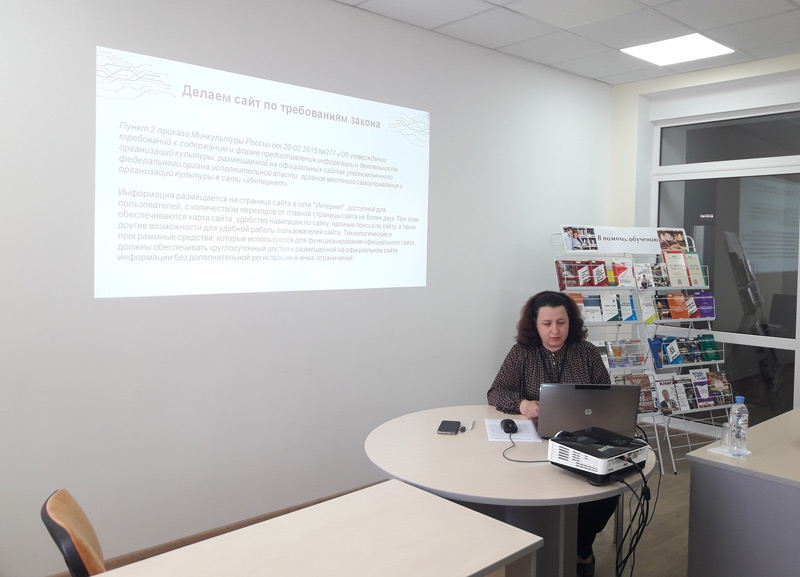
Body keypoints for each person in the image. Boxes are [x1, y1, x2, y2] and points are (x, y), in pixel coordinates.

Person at [487, 290, 616, 577]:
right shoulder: (522, 353)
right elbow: (495, 392)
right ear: (534, 324)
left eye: (561, 322)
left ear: (571, 322)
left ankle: (580, 547)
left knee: (607, 490)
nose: (554, 330)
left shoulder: (586, 352)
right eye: (546, 324)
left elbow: (606, 395)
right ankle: (552, 549)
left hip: (583, 439)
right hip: (534, 444)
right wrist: (522, 404)